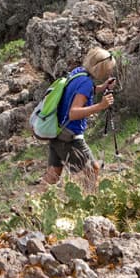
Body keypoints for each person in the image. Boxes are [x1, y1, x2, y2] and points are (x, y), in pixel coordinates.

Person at [42, 47, 117, 186]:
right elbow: (74, 112)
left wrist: (102, 87)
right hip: (69, 137)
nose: (109, 73)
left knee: (52, 177)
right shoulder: (86, 83)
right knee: (93, 171)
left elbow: (79, 92)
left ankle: (32, 205)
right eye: (107, 70)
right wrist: (101, 106)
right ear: (100, 68)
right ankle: (90, 204)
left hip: (58, 132)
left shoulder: (79, 73)